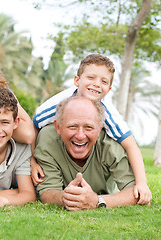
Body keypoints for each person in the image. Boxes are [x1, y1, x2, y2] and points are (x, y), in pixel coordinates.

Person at [31, 54, 151, 205]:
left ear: (109, 89)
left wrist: (141, 183)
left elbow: (131, 144)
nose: (96, 84)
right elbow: (33, 126)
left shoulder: (109, 118)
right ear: (77, 80)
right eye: (73, 126)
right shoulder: (54, 107)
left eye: (103, 81)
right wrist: (32, 160)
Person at [34, 96, 145, 211]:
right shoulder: (48, 139)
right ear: (58, 127)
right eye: (72, 126)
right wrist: (64, 198)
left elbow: (136, 192)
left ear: (99, 129)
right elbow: (47, 191)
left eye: (88, 127)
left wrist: (98, 201)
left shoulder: (110, 145)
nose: (80, 135)